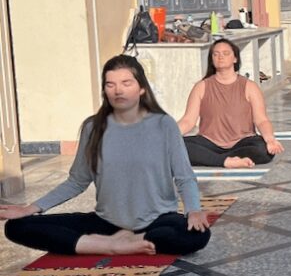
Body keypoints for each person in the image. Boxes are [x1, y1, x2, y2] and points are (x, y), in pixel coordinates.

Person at [1, 55, 210, 256]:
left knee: (197, 234)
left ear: (142, 88)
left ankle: (133, 239)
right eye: (110, 85)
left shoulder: (164, 125)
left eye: (126, 83)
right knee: (17, 227)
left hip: (158, 220)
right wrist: (30, 208)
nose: (118, 90)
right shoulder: (93, 127)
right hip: (105, 224)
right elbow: (76, 181)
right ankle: (109, 245)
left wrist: (193, 210)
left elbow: (184, 176)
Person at [177, 39, 284, 168]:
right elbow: (188, 121)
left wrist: (270, 139)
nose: (220, 57)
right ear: (211, 59)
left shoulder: (249, 86)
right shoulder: (201, 86)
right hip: (209, 143)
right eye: (215, 54)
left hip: (242, 142)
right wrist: (168, 136)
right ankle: (225, 161)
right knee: (177, 147)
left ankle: (216, 159)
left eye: (225, 53)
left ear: (235, 59)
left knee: (263, 150)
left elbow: (261, 120)